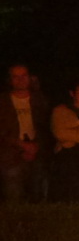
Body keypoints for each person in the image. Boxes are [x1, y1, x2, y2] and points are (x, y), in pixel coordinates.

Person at [2, 63, 50, 203]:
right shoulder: (2, 102)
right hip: (10, 158)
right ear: (10, 79)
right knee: (13, 200)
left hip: (38, 155)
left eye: (23, 76)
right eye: (16, 77)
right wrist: (20, 145)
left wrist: (36, 146)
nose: (20, 80)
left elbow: (47, 127)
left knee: (38, 199)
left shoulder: (41, 100)